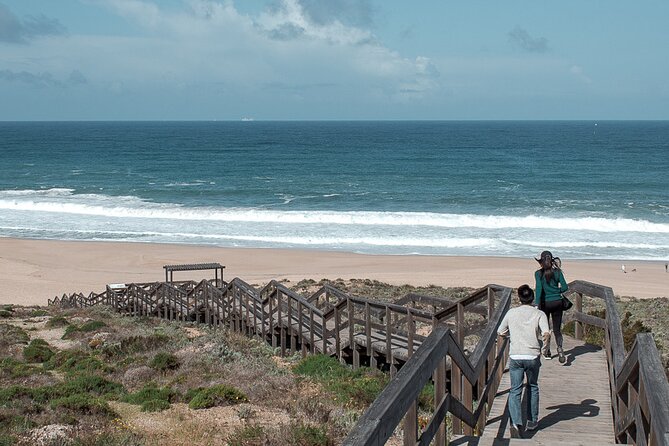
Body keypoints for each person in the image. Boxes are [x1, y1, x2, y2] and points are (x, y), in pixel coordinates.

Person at [498, 284, 550, 438]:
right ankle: (532, 421)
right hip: (533, 356)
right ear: (532, 298)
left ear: (519, 298)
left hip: (515, 356)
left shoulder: (511, 313)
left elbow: (500, 331)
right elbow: (546, 333)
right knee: (533, 386)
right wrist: (544, 350)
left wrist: (511, 336)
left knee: (515, 390)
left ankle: (515, 422)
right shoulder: (539, 314)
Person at [535, 250, 569, 363]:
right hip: (558, 302)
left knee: (546, 329)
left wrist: (536, 303)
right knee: (557, 329)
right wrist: (556, 291)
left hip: (545, 303)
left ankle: (548, 352)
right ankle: (559, 348)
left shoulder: (538, 274)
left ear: (541, 261)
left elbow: (539, 289)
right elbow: (565, 287)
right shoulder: (558, 272)